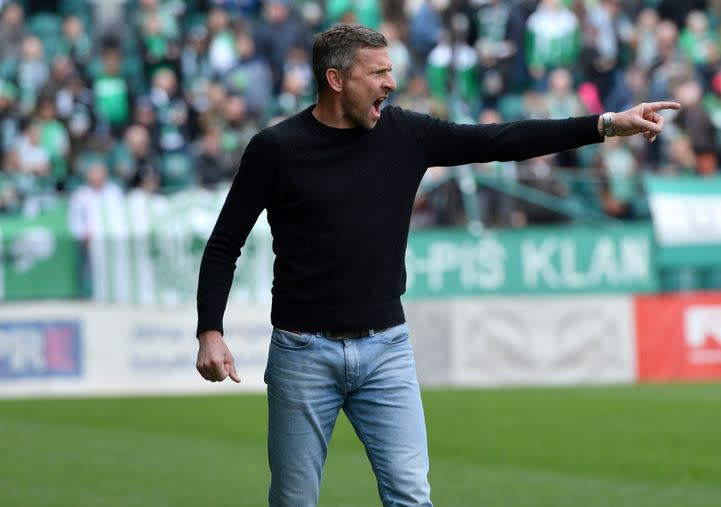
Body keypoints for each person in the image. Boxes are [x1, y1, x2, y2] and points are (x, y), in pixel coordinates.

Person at [194, 24, 680, 507]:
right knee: (293, 500)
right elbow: (224, 243)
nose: (391, 82)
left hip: (387, 351)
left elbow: (501, 140)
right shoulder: (276, 149)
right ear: (336, 79)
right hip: (302, 353)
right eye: (378, 72)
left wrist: (607, 124)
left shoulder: (406, 134)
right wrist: (210, 330)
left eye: (392, 71)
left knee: (411, 497)